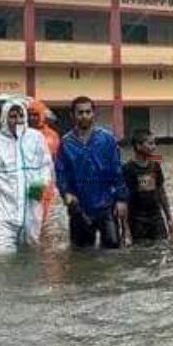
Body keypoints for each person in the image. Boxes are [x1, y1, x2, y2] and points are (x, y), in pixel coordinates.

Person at [0, 99, 53, 252]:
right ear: (4, 118)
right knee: (2, 258)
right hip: (2, 213)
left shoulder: (36, 138)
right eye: (13, 116)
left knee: (30, 256)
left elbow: (46, 166)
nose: (18, 120)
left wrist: (39, 186)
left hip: (31, 209)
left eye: (21, 116)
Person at [55, 96, 129, 249]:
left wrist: (121, 199)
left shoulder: (107, 139)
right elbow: (61, 173)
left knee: (112, 247)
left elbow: (117, 170)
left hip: (106, 203)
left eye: (88, 112)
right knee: (81, 253)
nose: (84, 116)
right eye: (80, 112)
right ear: (72, 115)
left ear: (93, 114)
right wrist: (65, 193)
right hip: (79, 205)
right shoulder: (66, 143)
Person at [122, 129, 172, 246]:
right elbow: (124, 200)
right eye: (150, 144)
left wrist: (169, 219)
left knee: (162, 248)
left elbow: (161, 193)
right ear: (138, 146)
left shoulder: (155, 165)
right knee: (140, 253)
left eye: (154, 143)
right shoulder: (128, 169)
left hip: (156, 217)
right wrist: (126, 230)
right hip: (137, 219)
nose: (154, 147)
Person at [27, 101, 62, 225]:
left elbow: (57, 160)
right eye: (29, 115)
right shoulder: (21, 134)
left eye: (36, 114)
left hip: (43, 181)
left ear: (42, 115)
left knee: (40, 217)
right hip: (26, 180)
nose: (32, 118)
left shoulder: (52, 135)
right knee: (31, 216)